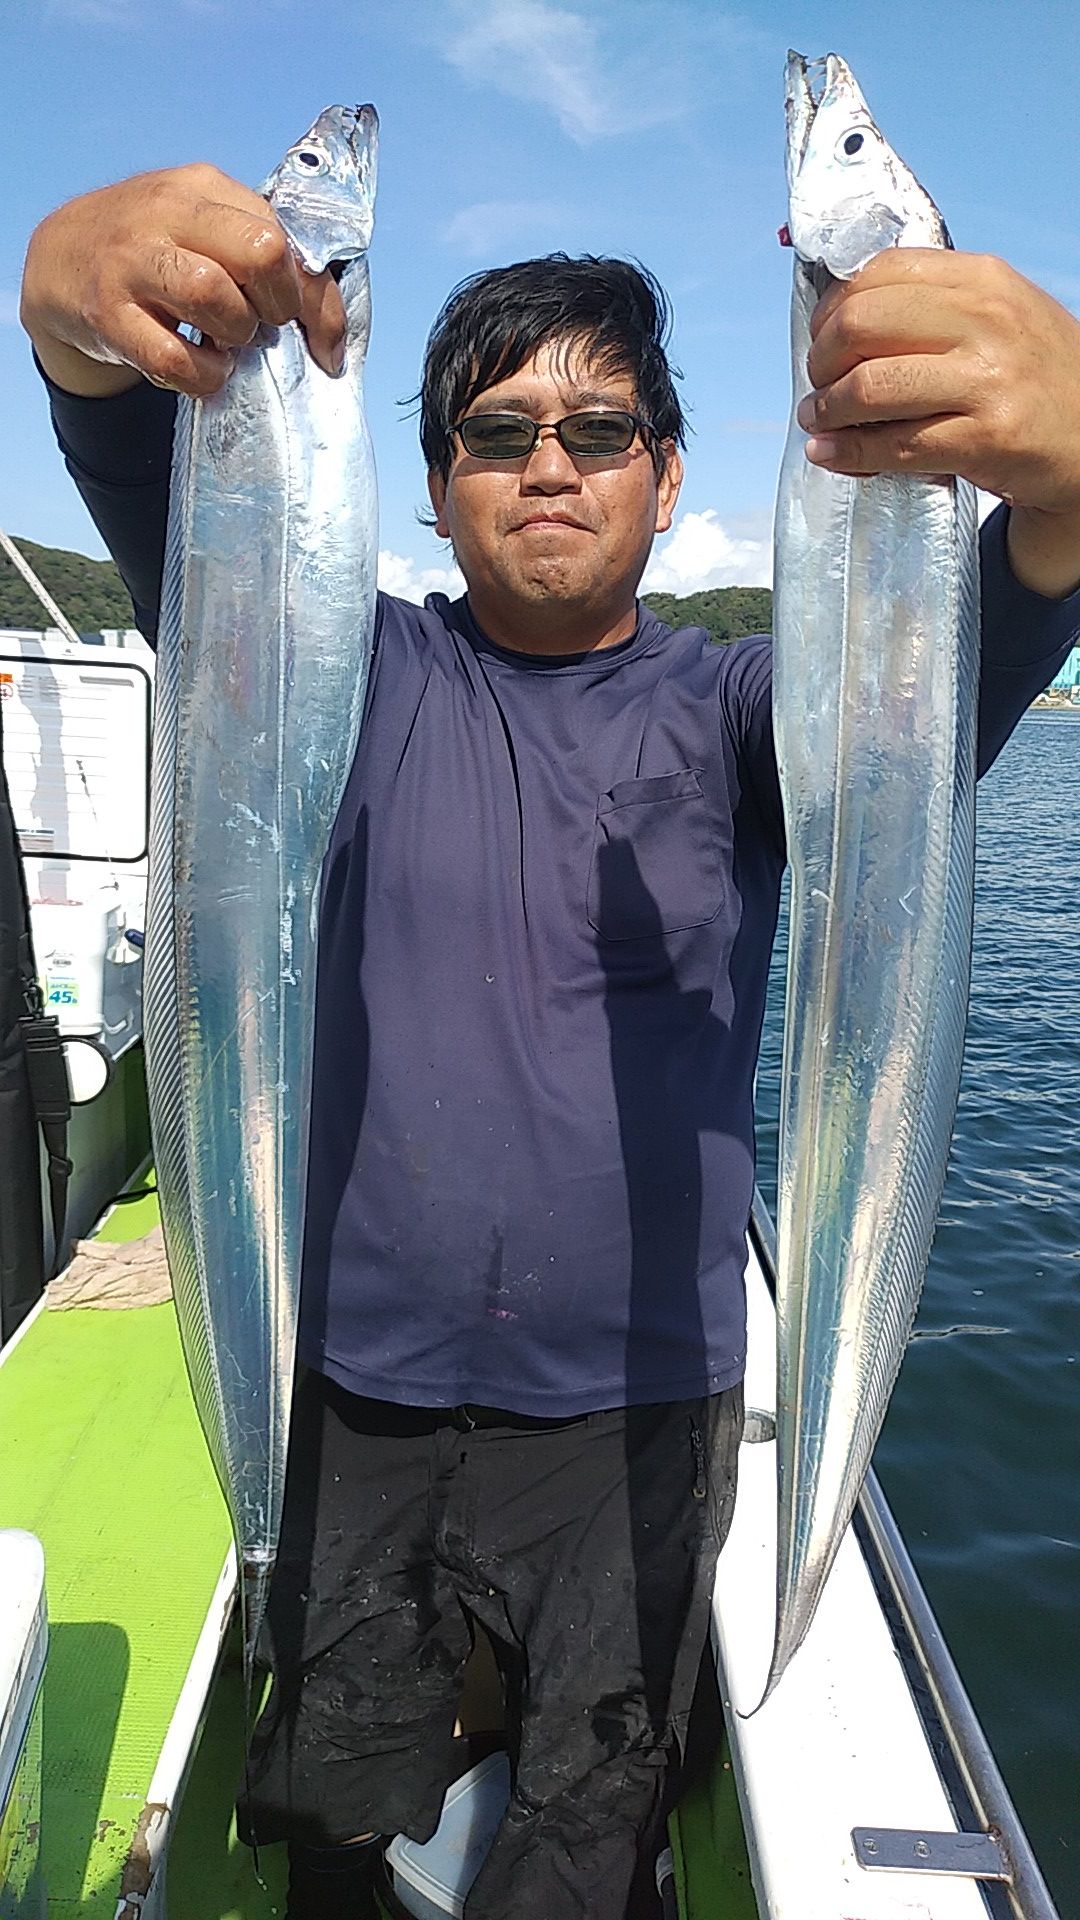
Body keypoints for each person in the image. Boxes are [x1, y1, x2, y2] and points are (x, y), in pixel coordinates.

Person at [19, 161, 1080, 1920]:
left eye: (599, 430)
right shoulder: (329, 676)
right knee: (336, 1819)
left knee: (591, 1835)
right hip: (350, 1390)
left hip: (638, 1412)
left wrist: (1066, 467)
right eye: (499, 432)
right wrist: (68, 316)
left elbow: (991, 615)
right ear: (434, 483)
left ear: (670, 473)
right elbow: (144, 465)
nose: (549, 464)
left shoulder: (760, 714)